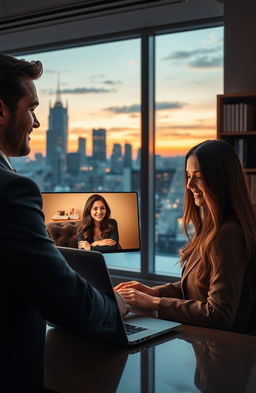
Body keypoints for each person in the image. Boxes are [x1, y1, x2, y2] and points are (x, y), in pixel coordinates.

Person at [0, 53, 129, 393]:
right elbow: (62, 298)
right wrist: (112, 307)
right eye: (32, 108)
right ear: (1, 111)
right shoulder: (12, 191)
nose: (36, 122)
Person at [115, 140, 256, 332]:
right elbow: (197, 286)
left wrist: (155, 302)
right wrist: (154, 291)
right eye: (188, 176)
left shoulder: (229, 234)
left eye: (198, 176)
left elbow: (218, 314)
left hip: (224, 350)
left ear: (221, 179)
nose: (189, 184)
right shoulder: (213, 227)